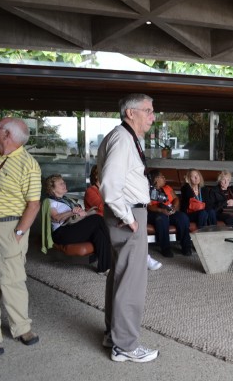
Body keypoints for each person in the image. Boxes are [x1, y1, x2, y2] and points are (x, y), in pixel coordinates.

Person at [97, 93, 159, 363]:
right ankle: (126, 345)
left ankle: (115, 336)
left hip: (127, 213)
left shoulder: (122, 137)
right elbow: (110, 184)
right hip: (128, 215)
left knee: (121, 275)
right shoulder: (122, 139)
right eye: (148, 110)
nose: (153, 116)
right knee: (131, 281)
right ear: (130, 113)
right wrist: (130, 217)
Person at [0, 117, 41, 358]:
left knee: (11, 280)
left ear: (7, 135)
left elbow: (33, 204)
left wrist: (19, 234)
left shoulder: (28, 164)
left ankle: (22, 328)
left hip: (9, 228)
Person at [85, 165, 161, 270]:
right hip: (102, 221)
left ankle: (142, 257)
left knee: (133, 225)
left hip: (113, 217)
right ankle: (144, 258)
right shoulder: (91, 191)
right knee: (129, 227)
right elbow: (103, 208)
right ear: (97, 176)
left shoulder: (109, 189)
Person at [44, 174, 111, 274]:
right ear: (52, 189)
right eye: (61, 183)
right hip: (61, 233)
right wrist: (73, 212)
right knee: (97, 218)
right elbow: (56, 218)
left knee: (98, 233)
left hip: (72, 228)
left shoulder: (67, 200)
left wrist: (81, 212)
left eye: (64, 182)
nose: (64, 184)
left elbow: (75, 216)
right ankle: (115, 252)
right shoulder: (49, 202)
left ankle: (104, 268)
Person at [148, 170, 193, 257]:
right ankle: (166, 248)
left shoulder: (167, 188)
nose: (164, 178)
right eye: (162, 177)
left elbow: (176, 198)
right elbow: (148, 206)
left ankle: (186, 247)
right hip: (156, 212)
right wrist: (161, 211)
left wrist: (174, 207)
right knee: (162, 218)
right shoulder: (148, 191)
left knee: (182, 217)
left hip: (169, 210)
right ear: (156, 179)